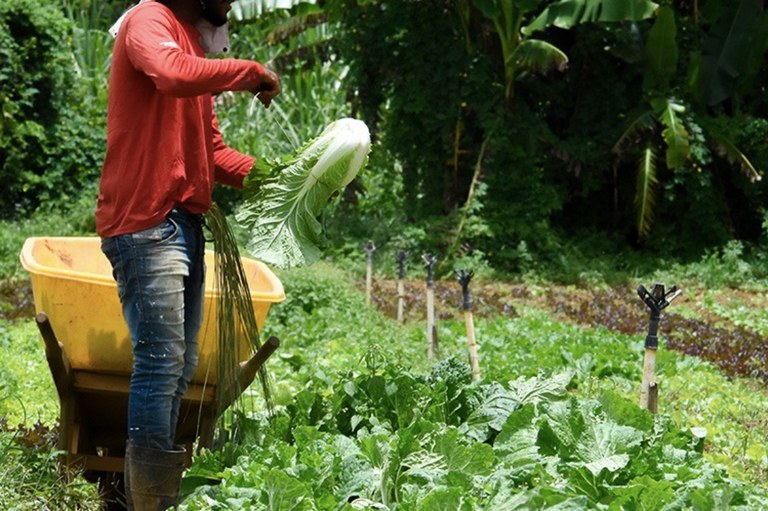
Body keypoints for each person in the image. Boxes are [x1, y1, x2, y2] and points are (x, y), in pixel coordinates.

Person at [95, 0, 280, 508]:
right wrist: (248, 73)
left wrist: (282, 177)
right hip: (146, 218)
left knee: (179, 364)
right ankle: (150, 502)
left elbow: (213, 152)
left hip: (184, 222)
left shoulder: (191, 48)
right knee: (161, 361)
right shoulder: (149, 19)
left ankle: (156, 493)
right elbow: (171, 74)